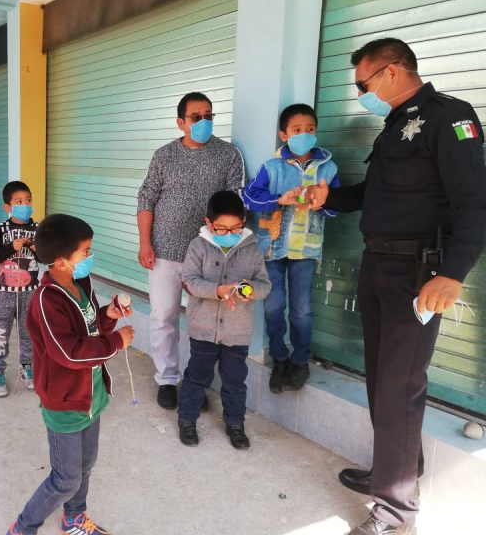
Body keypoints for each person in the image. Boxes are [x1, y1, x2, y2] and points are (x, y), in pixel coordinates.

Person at [305, 38, 486, 535]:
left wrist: (453, 272)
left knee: (400, 388)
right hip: (377, 265)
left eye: (363, 83)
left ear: (392, 70)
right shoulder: (393, 125)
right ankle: (397, 472)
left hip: (417, 273)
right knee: (383, 382)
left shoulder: (450, 117)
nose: (360, 92)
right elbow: (376, 194)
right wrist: (331, 197)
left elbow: (475, 202)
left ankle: (395, 510)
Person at [6, 214, 133, 535]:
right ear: (61, 262)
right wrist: (116, 341)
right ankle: (23, 528)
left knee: (85, 467)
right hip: (64, 401)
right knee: (65, 479)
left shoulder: (80, 284)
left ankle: (74, 519)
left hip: (91, 395)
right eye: (85, 252)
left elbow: (88, 331)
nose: (91, 257)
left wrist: (108, 315)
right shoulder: (46, 300)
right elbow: (69, 352)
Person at [137, 91, 246, 410]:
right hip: (164, 251)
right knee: (163, 315)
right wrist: (145, 242)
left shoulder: (228, 155)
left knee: (206, 321)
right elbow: (146, 199)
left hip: (209, 256)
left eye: (209, 116)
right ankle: (167, 379)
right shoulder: (163, 155)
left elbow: (238, 204)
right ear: (181, 122)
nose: (204, 122)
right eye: (196, 117)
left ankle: (196, 383)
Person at [243, 104, 340, 393]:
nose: (305, 135)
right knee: (273, 306)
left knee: (301, 310)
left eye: (310, 129)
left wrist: (322, 204)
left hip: (306, 250)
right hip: (272, 248)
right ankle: (280, 357)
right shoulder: (272, 166)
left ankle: (300, 360)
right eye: (297, 130)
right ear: (284, 134)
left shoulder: (328, 167)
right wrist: (280, 200)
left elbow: (336, 208)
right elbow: (250, 199)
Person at [177, 191, 271, 449]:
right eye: (222, 228)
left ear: (243, 221)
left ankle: (235, 424)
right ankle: (187, 419)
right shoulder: (198, 246)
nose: (230, 233)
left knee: (234, 381)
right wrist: (218, 290)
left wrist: (249, 289)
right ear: (209, 223)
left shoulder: (252, 250)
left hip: (237, 332)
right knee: (197, 376)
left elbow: (265, 285)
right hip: (203, 328)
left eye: (236, 227)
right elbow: (190, 281)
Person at [0, 181, 39, 397]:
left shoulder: (38, 229)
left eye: (28, 200)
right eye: (19, 202)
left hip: (30, 291)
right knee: (1, 331)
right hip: (5, 292)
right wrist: (12, 246)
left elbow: (45, 258)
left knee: (29, 332)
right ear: (8, 207)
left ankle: (27, 368)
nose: (25, 205)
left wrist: (38, 250)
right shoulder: (1, 229)